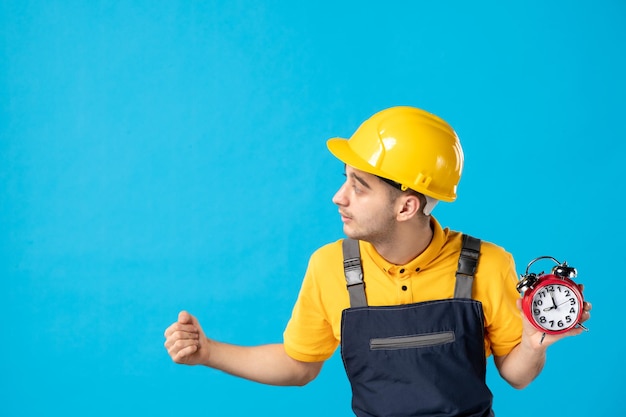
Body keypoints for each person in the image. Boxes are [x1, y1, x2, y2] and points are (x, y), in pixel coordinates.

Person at [164, 106, 592, 417]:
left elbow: (516, 375)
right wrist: (209, 352)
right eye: (344, 179)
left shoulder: (487, 263)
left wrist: (535, 341)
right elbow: (299, 365)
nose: (339, 197)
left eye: (359, 186)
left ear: (406, 206)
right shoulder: (329, 266)